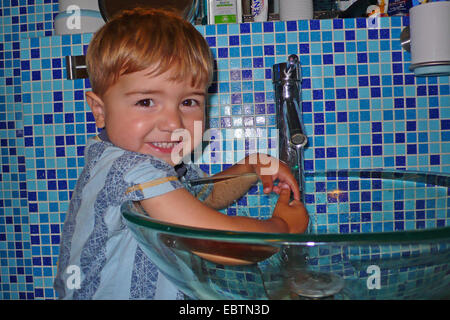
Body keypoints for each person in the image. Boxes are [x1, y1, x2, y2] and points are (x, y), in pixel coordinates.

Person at [54, 8, 308, 300]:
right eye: (147, 101)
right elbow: (214, 241)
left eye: (188, 101)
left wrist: (250, 167)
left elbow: (204, 196)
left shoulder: (157, 168)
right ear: (100, 111)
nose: (173, 123)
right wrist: (284, 229)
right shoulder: (128, 168)